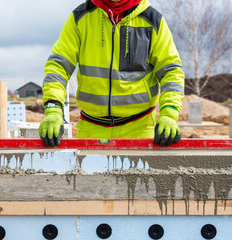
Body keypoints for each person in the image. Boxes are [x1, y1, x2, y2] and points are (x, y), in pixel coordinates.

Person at [39, 0, 184, 147]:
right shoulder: (80, 18)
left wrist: (169, 114)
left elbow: (171, 71)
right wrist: (53, 108)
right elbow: (58, 66)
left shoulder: (152, 20)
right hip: (91, 129)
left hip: (140, 130)